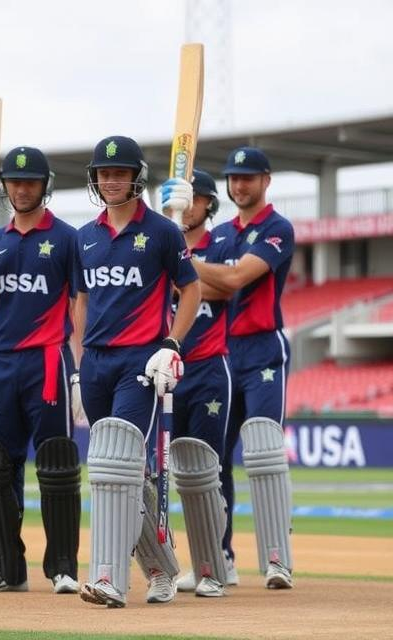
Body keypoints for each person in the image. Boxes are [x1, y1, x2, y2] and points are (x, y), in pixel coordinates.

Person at [75, 136, 201, 608]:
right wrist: (77, 363)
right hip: (96, 362)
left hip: (141, 362)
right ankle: (162, 568)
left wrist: (171, 345)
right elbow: (81, 302)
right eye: (103, 173)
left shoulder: (164, 233)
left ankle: (108, 578)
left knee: (117, 468)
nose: (110, 180)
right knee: (126, 472)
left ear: (135, 177)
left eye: (119, 172)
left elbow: (191, 292)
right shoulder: (84, 236)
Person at [167, 147, 295, 590]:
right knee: (213, 461)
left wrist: (178, 261)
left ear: (266, 180)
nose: (240, 185)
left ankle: (278, 558)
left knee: (263, 449)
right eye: (234, 178)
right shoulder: (220, 234)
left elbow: (234, 280)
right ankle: (220, 556)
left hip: (261, 349)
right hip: (221, 353)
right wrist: (193, 268)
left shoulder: (277, 228)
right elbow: (203, 287)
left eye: (248, 177)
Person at [0, 146, 81, 595]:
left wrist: (78, 369)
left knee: (56, 465)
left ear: (45, 185)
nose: (22, 187)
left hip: (47, 361)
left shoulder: (67, 238)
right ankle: (7, 568)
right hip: (1, 363)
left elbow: (78, 303)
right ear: (5, 187)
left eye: (30, 181)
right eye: (14, 181)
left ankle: (63, 567)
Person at [161, 169, 236, 598]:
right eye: (179, 200)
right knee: (174, 472)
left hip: (209, 367)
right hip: (170, 370)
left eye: (194, 200)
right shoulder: (158, 238)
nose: (187, 208)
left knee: (208, 468)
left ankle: (216, 557)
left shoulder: (222, 241)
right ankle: (192, 559)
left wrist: (181, 268)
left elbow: (225, 287)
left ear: (208, 203)